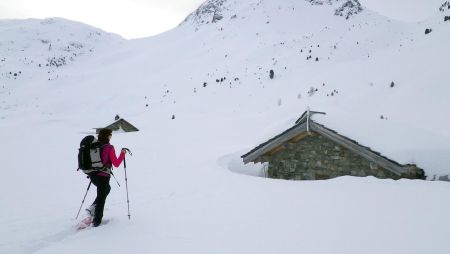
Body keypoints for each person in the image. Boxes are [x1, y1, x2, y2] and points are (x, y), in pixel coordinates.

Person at [86, 128, 127, 227]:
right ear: (108, 136)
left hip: (93, 176)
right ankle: (96, 222)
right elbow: (116, 163)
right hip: (103, 176)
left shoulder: (94, 146)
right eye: (110, 134)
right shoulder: (109, 147)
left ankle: (92, 207)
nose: (111, 136)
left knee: (107, 189)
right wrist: (122, 153)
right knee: (101, 199)